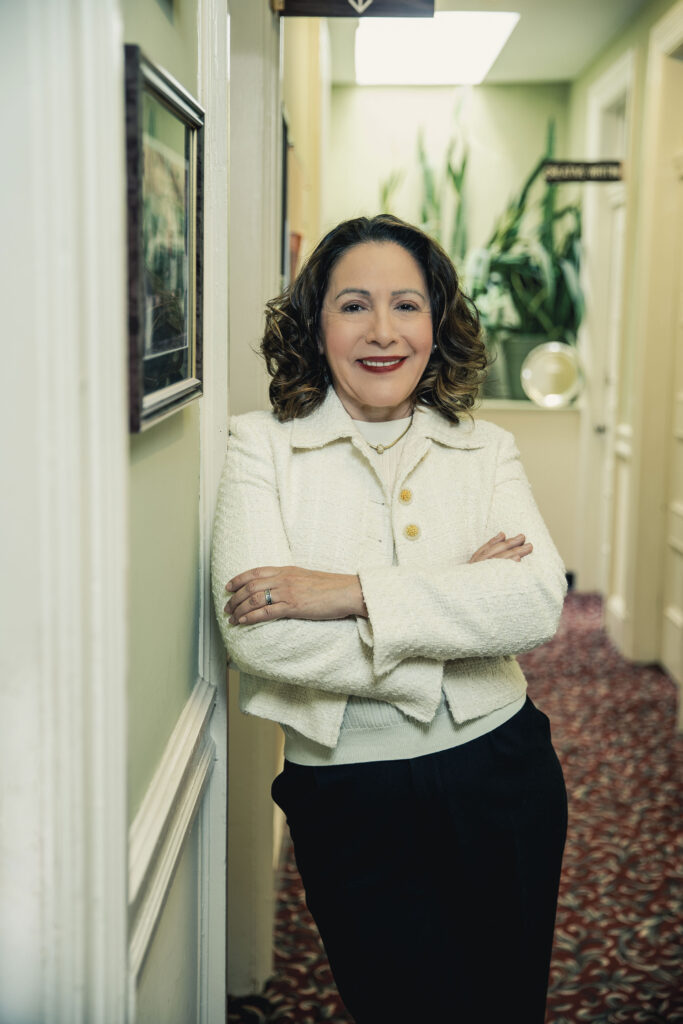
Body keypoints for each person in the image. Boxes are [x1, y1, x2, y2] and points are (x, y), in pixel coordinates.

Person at [211, 215, 568, 1024]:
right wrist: (457, 607)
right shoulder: (257, 448)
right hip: (348, 792)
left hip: (501, 772)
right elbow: (258, 635)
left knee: (506, 1005)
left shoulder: (487, 450)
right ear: (315, 322)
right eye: (352, 306)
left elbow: (534, 601)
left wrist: (344, 592)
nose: (382, 332)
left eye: (405, 305)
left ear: (435, 323)